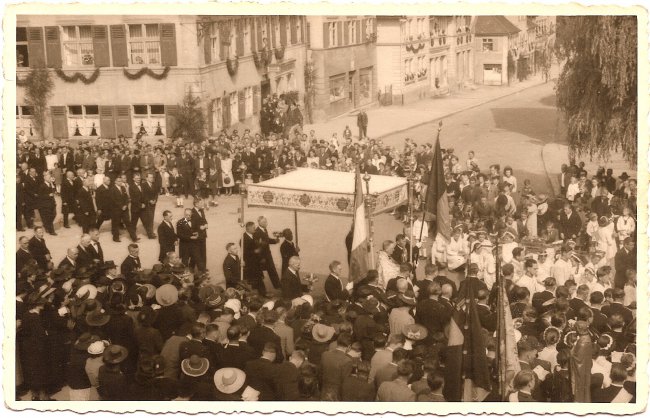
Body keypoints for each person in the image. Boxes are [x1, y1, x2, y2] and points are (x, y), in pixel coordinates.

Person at [254, 216, 281, 289]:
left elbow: (267, 240)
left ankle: (278, 286)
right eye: (263, 222)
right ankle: (276, 286)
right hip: (263, 256)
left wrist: (275, 241)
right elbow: (258, 246)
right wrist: (261, 258)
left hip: (267, 254)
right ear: (259, 223)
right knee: (264, 271)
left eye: (266, 221)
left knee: (272, 269)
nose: (265, 223)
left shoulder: (264, 229)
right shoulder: (257, 232)